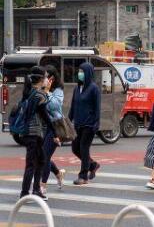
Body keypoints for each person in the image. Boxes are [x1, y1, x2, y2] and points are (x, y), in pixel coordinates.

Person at [19, 66, 52, 200]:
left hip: (28, 133)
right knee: (34, 162)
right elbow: (45, 114)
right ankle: (26, 192)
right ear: (40, 79)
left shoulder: (28, 92)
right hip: (34, 133)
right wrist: (55, 131)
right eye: (45, 77)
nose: (47, 79)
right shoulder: (39, 95)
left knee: (39, 160)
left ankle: (33, 190)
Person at [69, 62, 101, 185]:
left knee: (84, 148)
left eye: (82, 72)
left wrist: (96, 123)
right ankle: (92, 165)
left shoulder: (94, 88)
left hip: (89, 125)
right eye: (79, 71)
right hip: (78, 124)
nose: (79, 74)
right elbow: (73, 106)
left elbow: (97, 107)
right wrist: (67, 121)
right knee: (75, 148)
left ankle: (83, 176)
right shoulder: (77, 88)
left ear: (88, 73)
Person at [41, 65, 66, 195]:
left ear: (52, 78)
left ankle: (42, 186)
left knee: (44, 156)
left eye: (46, 77)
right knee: (42, 156)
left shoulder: (58, 90)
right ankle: (58, 173)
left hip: (55, 127)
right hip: (42, 127)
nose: (44, 79)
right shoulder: (41, 88)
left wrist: (47, 92)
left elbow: (55, 105)